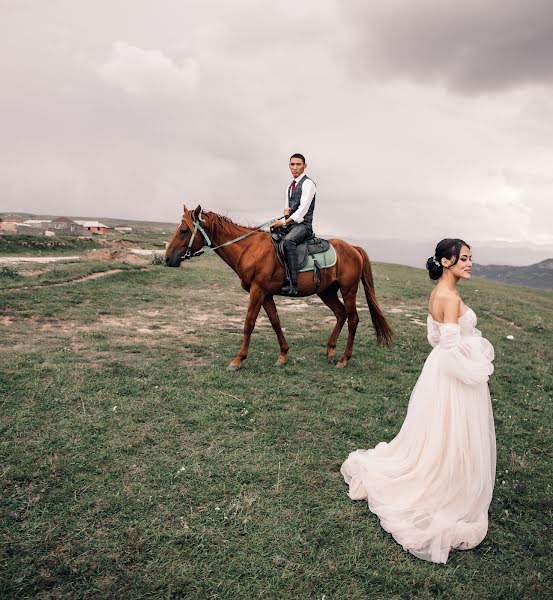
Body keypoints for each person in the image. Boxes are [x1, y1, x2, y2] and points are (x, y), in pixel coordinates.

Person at [341, 239, 496, 564]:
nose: (470, 263)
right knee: (452, 431)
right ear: (445, 260)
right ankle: (446, 484)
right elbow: (451, 350)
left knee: (441, 432)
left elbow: (434, 338)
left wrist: (468, 346)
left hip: (438, 372)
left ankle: (445, 470)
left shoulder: (441, 292)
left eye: (470, 258)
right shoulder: (449, 297)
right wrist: (478, 364)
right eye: (464, 258)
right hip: (452, 376)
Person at [270, 153, 316, 296]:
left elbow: (302, 211)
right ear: (289, 166)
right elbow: (288, 209)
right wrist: (284, 216)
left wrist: (283, 222)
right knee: (272, 235)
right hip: (292, 224)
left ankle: (293, 283)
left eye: (298, 164)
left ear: (304, 166)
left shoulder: (308, 184)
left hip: (304, 226)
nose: (295, 167)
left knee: (289, 241)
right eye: (292, 164)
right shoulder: (289, 187)